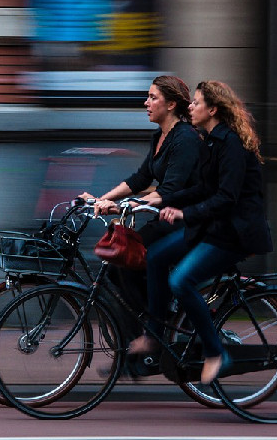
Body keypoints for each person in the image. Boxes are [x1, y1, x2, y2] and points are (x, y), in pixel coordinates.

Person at [130, 80, 273, 385]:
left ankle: (216, 352)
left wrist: (184, 213)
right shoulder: (210, 140)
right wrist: (164, 199)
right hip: (212, 227)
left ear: (213, 109)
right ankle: (155, 335)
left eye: (196, 103)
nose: (190, 107)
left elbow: (226, 197)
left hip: (234, 233)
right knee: (154, 256)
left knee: (181, 281)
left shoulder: (230, 143)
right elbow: (204, 188)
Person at [79, 75, 202, 339]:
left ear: (170, 105)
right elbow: (140, 179)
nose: (145, 102)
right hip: (164, 220)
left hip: (186, 222)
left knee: (126, 262)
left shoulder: (186, 139)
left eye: (152, 97)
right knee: (118, 265)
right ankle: (147, 331)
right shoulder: (160, 136)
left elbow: (169, 191)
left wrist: (128, 206)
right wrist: (103, 198)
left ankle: (157, 326)